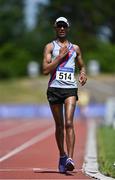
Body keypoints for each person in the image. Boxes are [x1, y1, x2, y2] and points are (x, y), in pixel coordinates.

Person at [42, 17, 87, 173]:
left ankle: (70, 159)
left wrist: (83, 73)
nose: (62, 28)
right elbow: (45, 70)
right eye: (59, 26)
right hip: (54, 89)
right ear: (55, 28)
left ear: (68, 28)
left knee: (69, 122)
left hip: (70, 89)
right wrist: (60, 56)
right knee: (59, 125)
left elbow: (81, 65)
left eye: (64, 26)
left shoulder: (76, 48)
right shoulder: (50, 47)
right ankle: (62, 154)